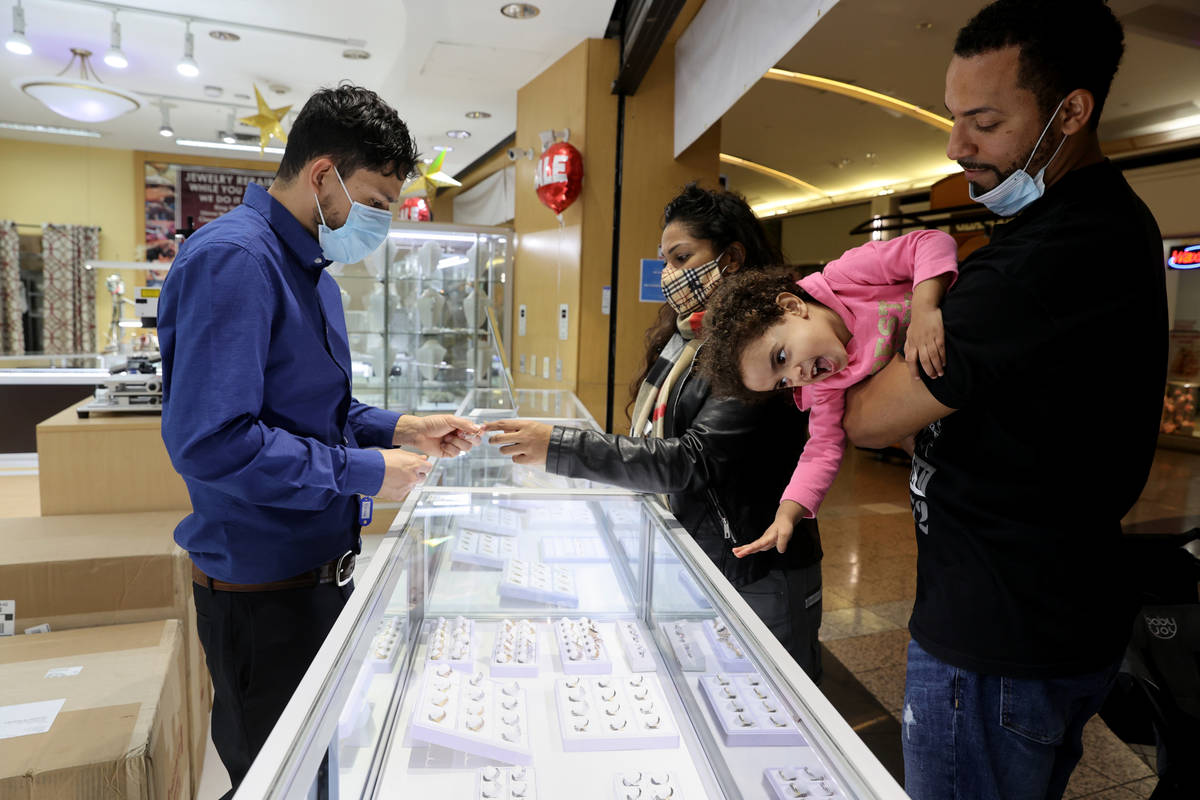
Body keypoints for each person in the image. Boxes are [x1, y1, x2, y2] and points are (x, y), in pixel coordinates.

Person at [838, 2, 1167, 798]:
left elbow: (870, 417)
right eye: (953, 119)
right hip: (1050, 614)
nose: (957, 147)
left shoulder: (1051, 256)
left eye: (983, 121)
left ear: (1071, 112)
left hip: (998, 639)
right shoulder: (1090, 226)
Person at [158, 85, 480, 797]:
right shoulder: (236, 260)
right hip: (261, 599)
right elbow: (213, 441)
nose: (381, 223)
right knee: (279, 780)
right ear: (322, 173)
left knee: (323, 773)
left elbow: (311, 413)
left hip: (318, 583)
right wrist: (366, 472)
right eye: (377, 201)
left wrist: (400, 429)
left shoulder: (312, 272)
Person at [484, 184, 824, 679]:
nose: (670, 275)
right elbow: (654, 435)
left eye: (682, 257)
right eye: (665, 260)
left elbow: (691, 459)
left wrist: (557, 445)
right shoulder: (689, 334)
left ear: (730, 258)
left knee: (777, 704)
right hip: (701, 554)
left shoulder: (766, 344)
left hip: (756, 567)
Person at [700, 230, 957, 557]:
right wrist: (787, 512)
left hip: (967, 341)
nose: (796, 375)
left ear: (792, 306)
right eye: (782, 382)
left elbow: (931, 242)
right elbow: (822, 447)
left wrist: (925, 307)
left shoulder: (846, 277)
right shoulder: (825, 385)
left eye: (781, 357)